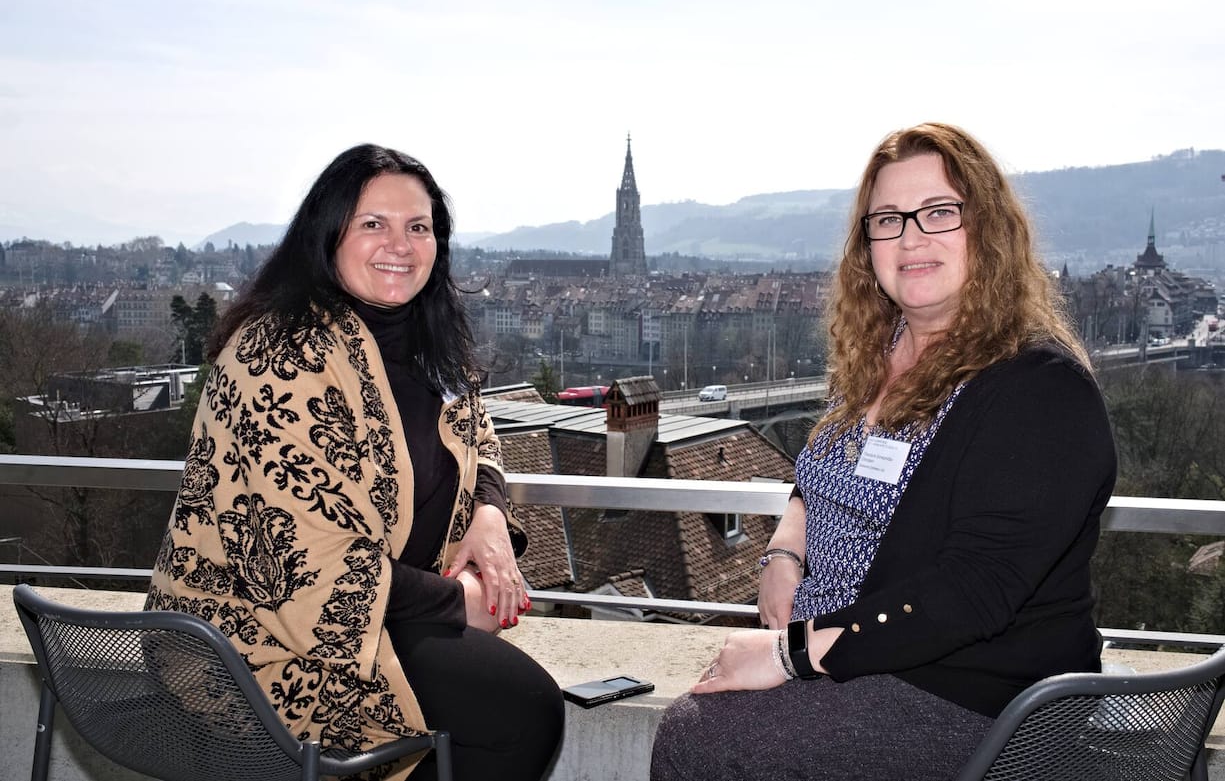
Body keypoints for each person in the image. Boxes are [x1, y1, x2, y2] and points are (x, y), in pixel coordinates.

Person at [650, 123, 1117, 780]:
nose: (911, 236)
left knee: (699, 736)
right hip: (850, 659)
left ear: (988, 228)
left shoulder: (1039, 388)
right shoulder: (882, 350)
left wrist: (787, 654)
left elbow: (971, 591)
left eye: (939, 212)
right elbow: (822, 476)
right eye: (888, 219)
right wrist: (785, 548)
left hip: (970, 693)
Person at [147, 144, 563, 781]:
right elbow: (304, 560)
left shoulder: (430, 342)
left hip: (381, 616)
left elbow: (481, 441)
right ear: (328, 233)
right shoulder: (278, 355)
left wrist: (488, 511)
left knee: (518, 709)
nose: (399, 243)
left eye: (417, 226)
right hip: (260, 643)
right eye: (374, 223)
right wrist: (460, 601)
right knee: (519, 712)